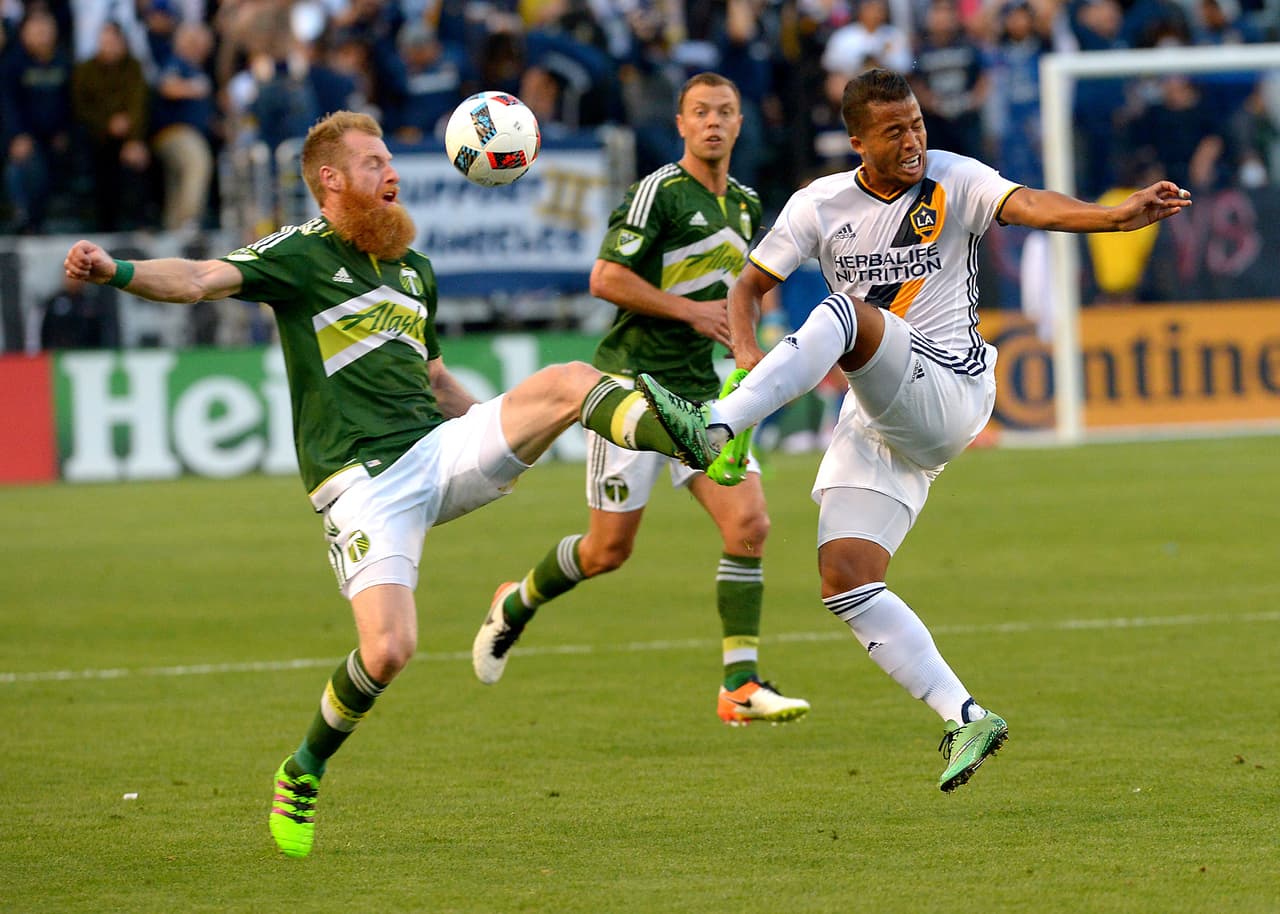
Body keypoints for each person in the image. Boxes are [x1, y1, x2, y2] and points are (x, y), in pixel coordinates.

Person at [63, 109, 697, 859]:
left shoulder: (412, 270)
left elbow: (433, 380)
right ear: (331, 181)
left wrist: (508, 428)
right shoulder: (300, 255)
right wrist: (119, 272)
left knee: (568, 382)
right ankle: (302, 770)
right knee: (390, 650)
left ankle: (699, 439)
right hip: (363, 486)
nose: (392, 174)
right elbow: (200, 278)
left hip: (437, 450)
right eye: (373, 164)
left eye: (390, 160)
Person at [637, 68, 1192, 791]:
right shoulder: (819, 203)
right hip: (882, 417)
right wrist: (746, 359)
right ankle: (965, 714)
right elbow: (747, 288)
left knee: (843, 314)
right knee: (846, 579)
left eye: (918, 124)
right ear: (857, 139)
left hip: (953, 389)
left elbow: (1028, 205)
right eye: (894, 130)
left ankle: (712, 430)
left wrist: (1115, 216)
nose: (913, 141)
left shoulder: (954, 179)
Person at [470, 72, 811, 727]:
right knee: (607, 553)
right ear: (681, 124)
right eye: (700, 112)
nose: (713, 122)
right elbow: (606, 278)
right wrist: (691, 313)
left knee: (750, 525)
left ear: (740, 124)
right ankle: (515, 601)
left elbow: (738, 294)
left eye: (726, 111)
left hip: (702, 393)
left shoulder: (743, 204)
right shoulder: (658, 192)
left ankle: (738, 687)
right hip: (629, 394)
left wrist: (745, 343)